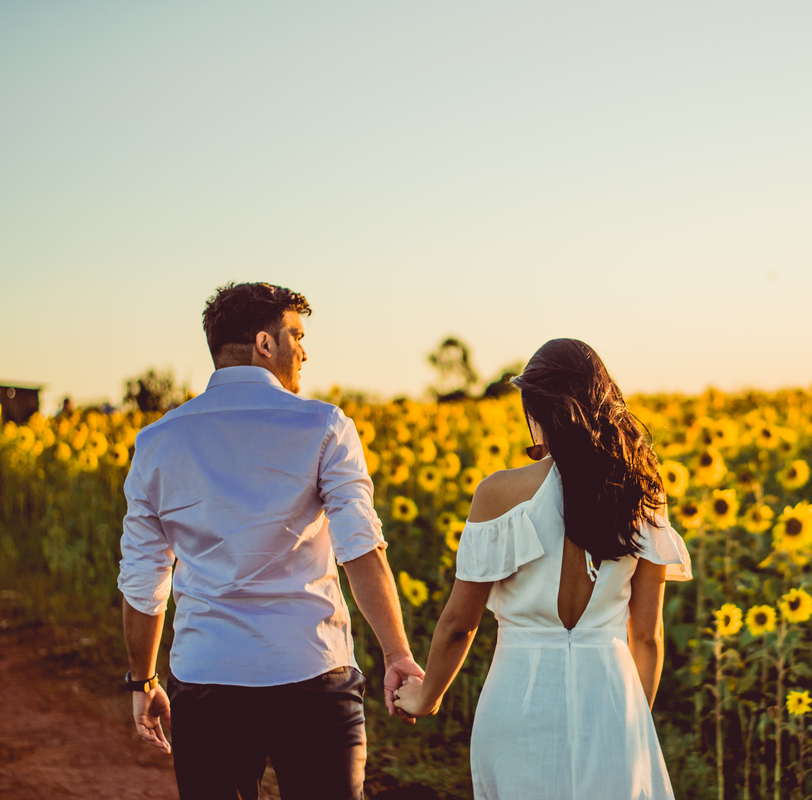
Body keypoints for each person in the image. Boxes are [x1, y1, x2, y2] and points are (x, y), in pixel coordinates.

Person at [117, 282, 423, 800]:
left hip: (208, 679)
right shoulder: (326, 426)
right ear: (265, 343)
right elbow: (359, 549)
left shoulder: (157, 442)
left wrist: (143, 682)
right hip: (313, 671)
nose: (303, 351)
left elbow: (145, 581)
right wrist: (397, 654)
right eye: (296, 336)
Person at [394, 338, 691, 799]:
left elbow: (459, 626)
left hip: (518, 701)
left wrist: (425, 696)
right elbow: (648, 637)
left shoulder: (498, 493)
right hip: (613, 703)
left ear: (536, 410)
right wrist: (627, 722)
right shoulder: (642, 491)